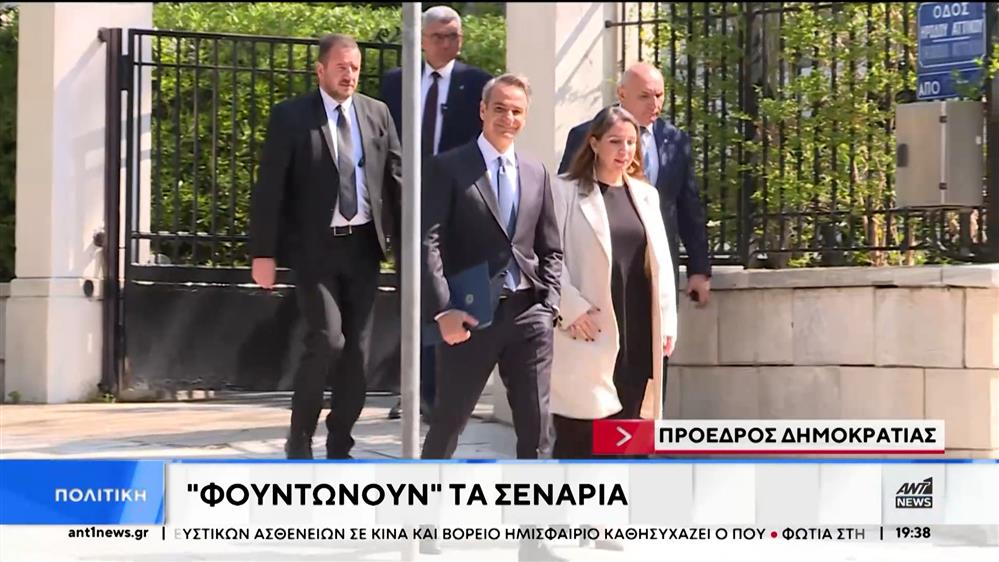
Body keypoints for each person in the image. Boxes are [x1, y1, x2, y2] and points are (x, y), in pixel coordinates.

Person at [249, 33, 402, 460]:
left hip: (363, 249)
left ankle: (340, 443)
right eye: (341, 67)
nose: (349, 75)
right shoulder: (292, 117)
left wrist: (411, 245)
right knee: (328, 340)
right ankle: (300, 437)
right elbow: (270, 188)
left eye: (354, 68)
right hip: (315, 251)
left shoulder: (377, 113)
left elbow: (397, 178)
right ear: (320, 70)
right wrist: (263, 253)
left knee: (357, 353)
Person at [379, 5, 493, 421]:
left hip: (457, 206)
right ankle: (416, 391)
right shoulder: (397, 82)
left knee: (453, 293)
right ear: (422, 40)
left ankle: (445, 392)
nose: (448, 44)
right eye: (439, 37)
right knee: (415, 295)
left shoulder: (477, 84)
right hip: (408, 203)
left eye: (454, 36)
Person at [549, 106, 677, 461]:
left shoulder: (646, 195)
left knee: (629, 432)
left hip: (637, 326)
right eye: (615, 142)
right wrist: (570, 308)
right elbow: (547, 257)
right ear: (594, 144)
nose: (625, 150)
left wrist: (667, 321)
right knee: (580, 434)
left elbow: (660, 263)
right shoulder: (564, 191)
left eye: (631, 142)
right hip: (588, 325)